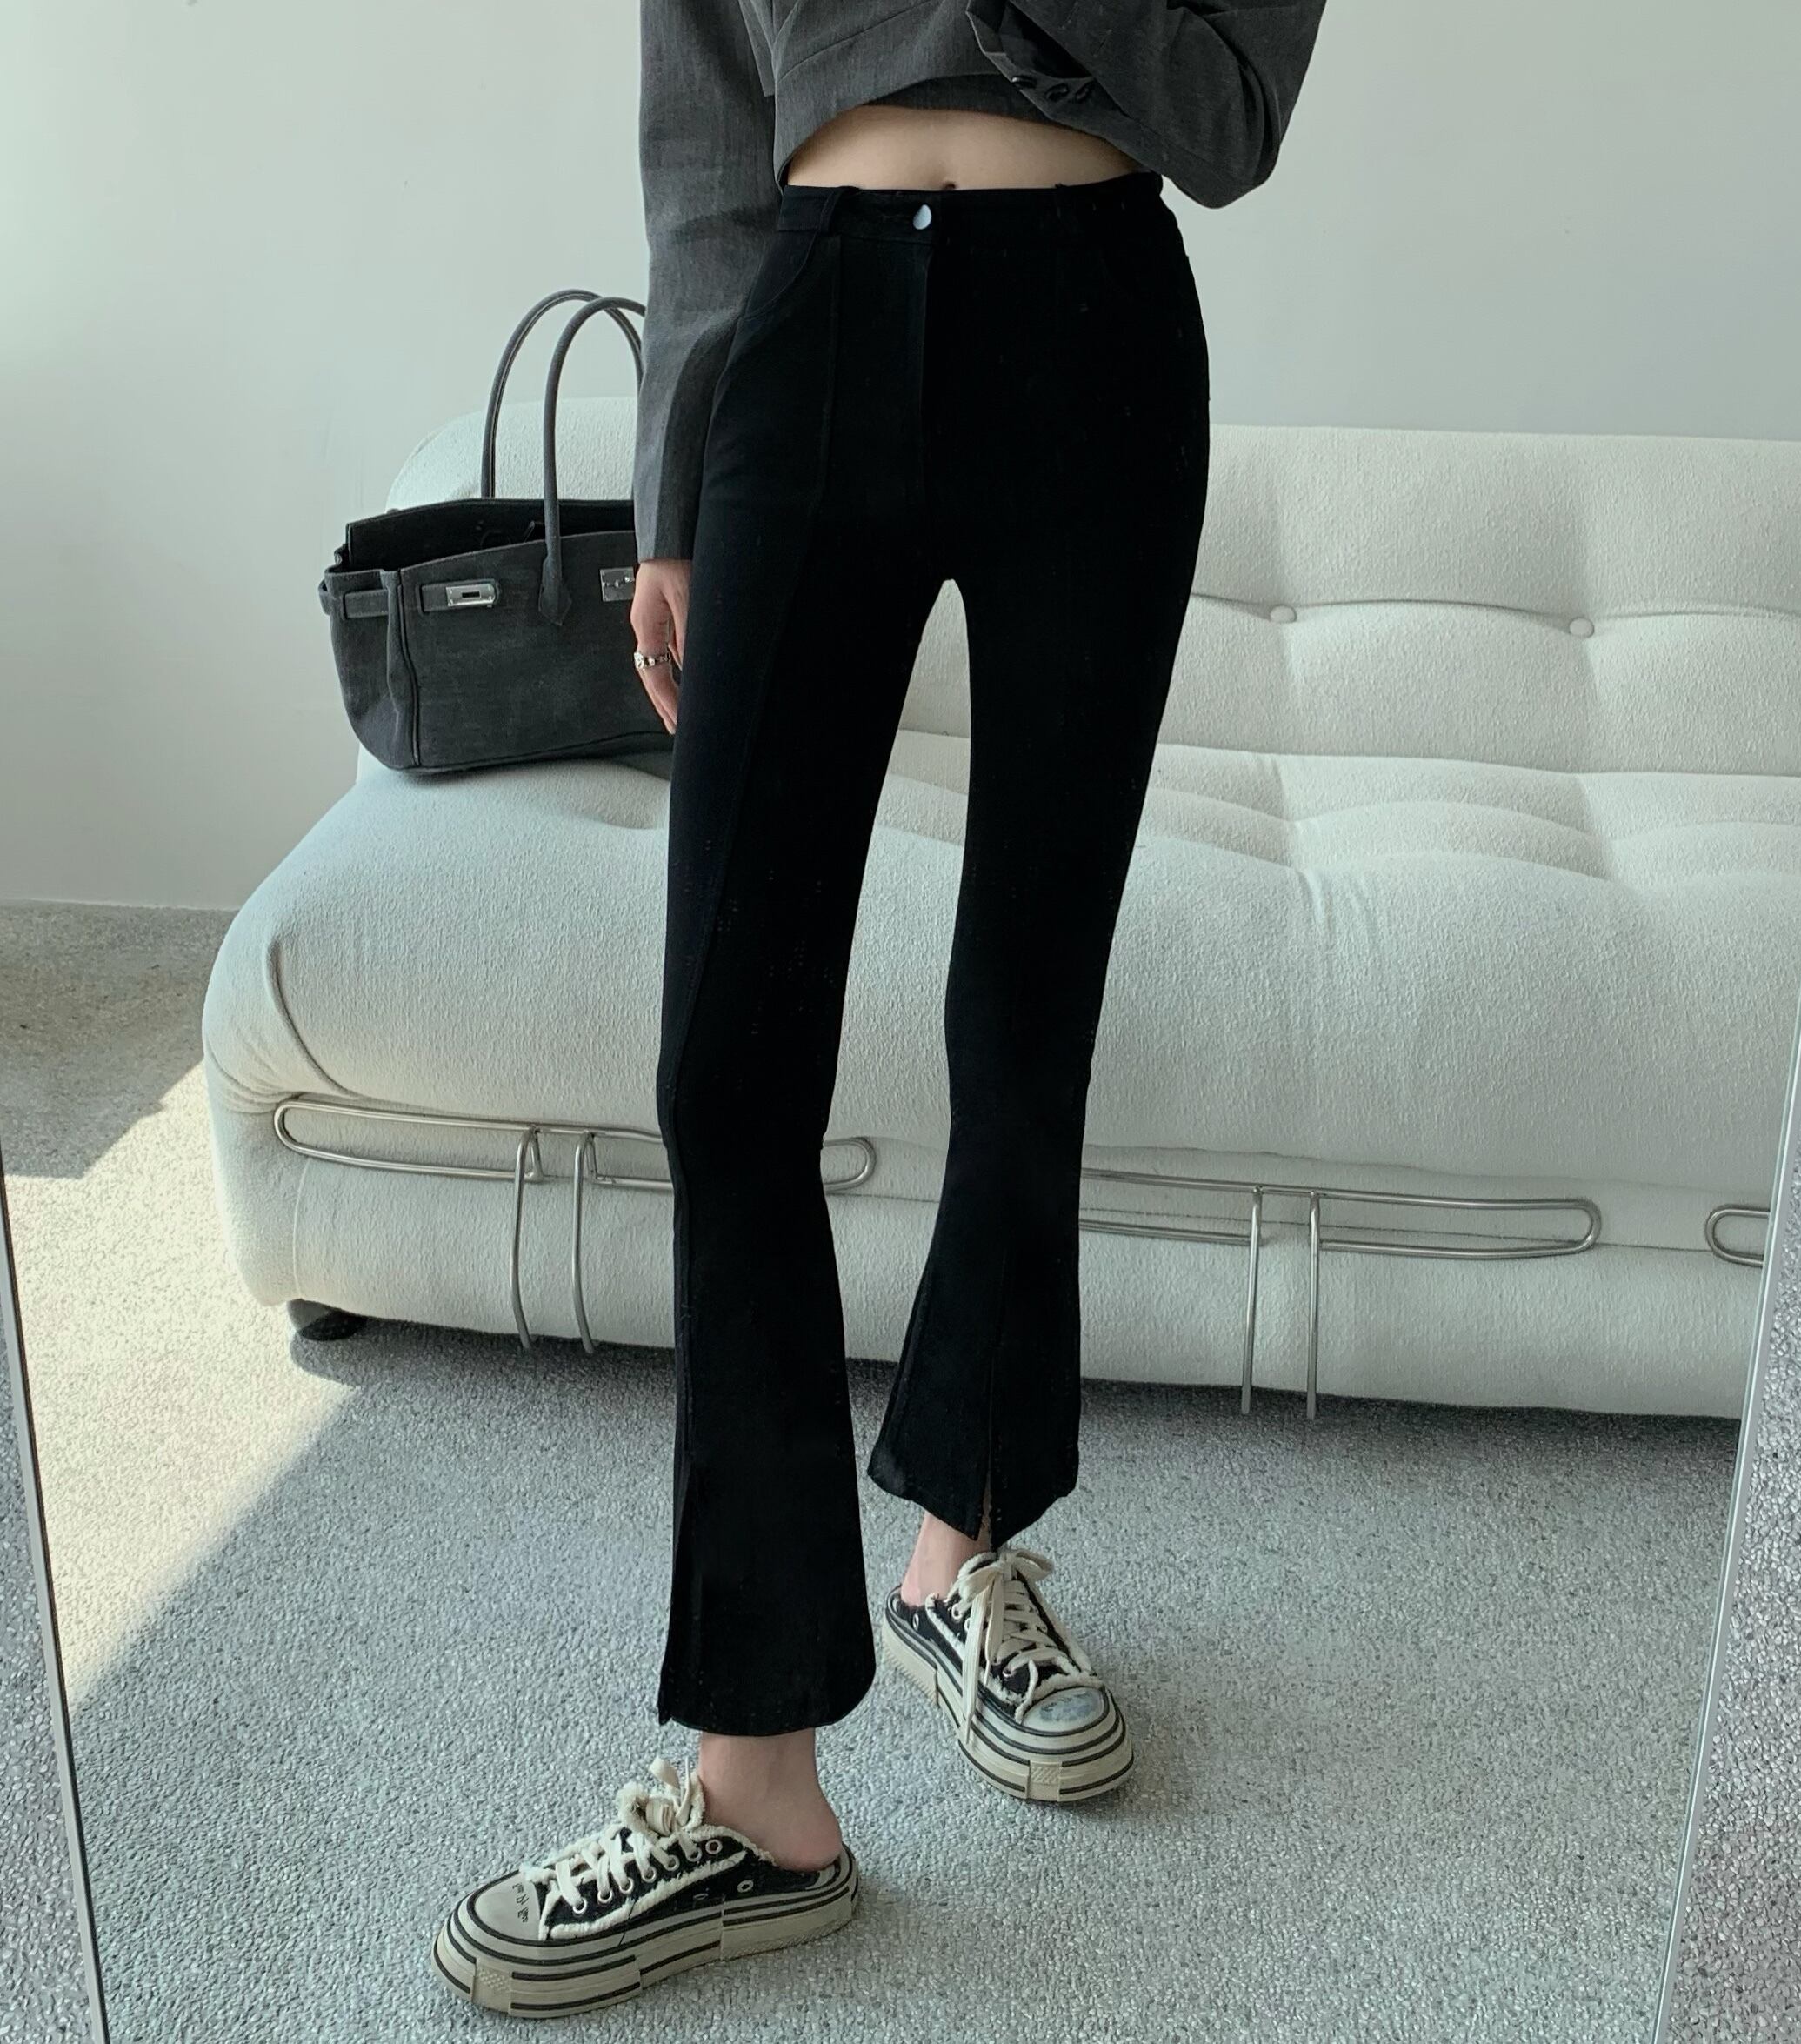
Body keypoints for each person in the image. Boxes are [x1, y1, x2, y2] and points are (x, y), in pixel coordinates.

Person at [434, 1, 1324, 2018]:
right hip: (809, 318)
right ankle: (757, 1793)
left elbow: (1228, 117)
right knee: (724, 1063)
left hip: (1093, 324)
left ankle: (959, 1550)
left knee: (1026, 1000)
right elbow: (701, 128)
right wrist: (673, 485)